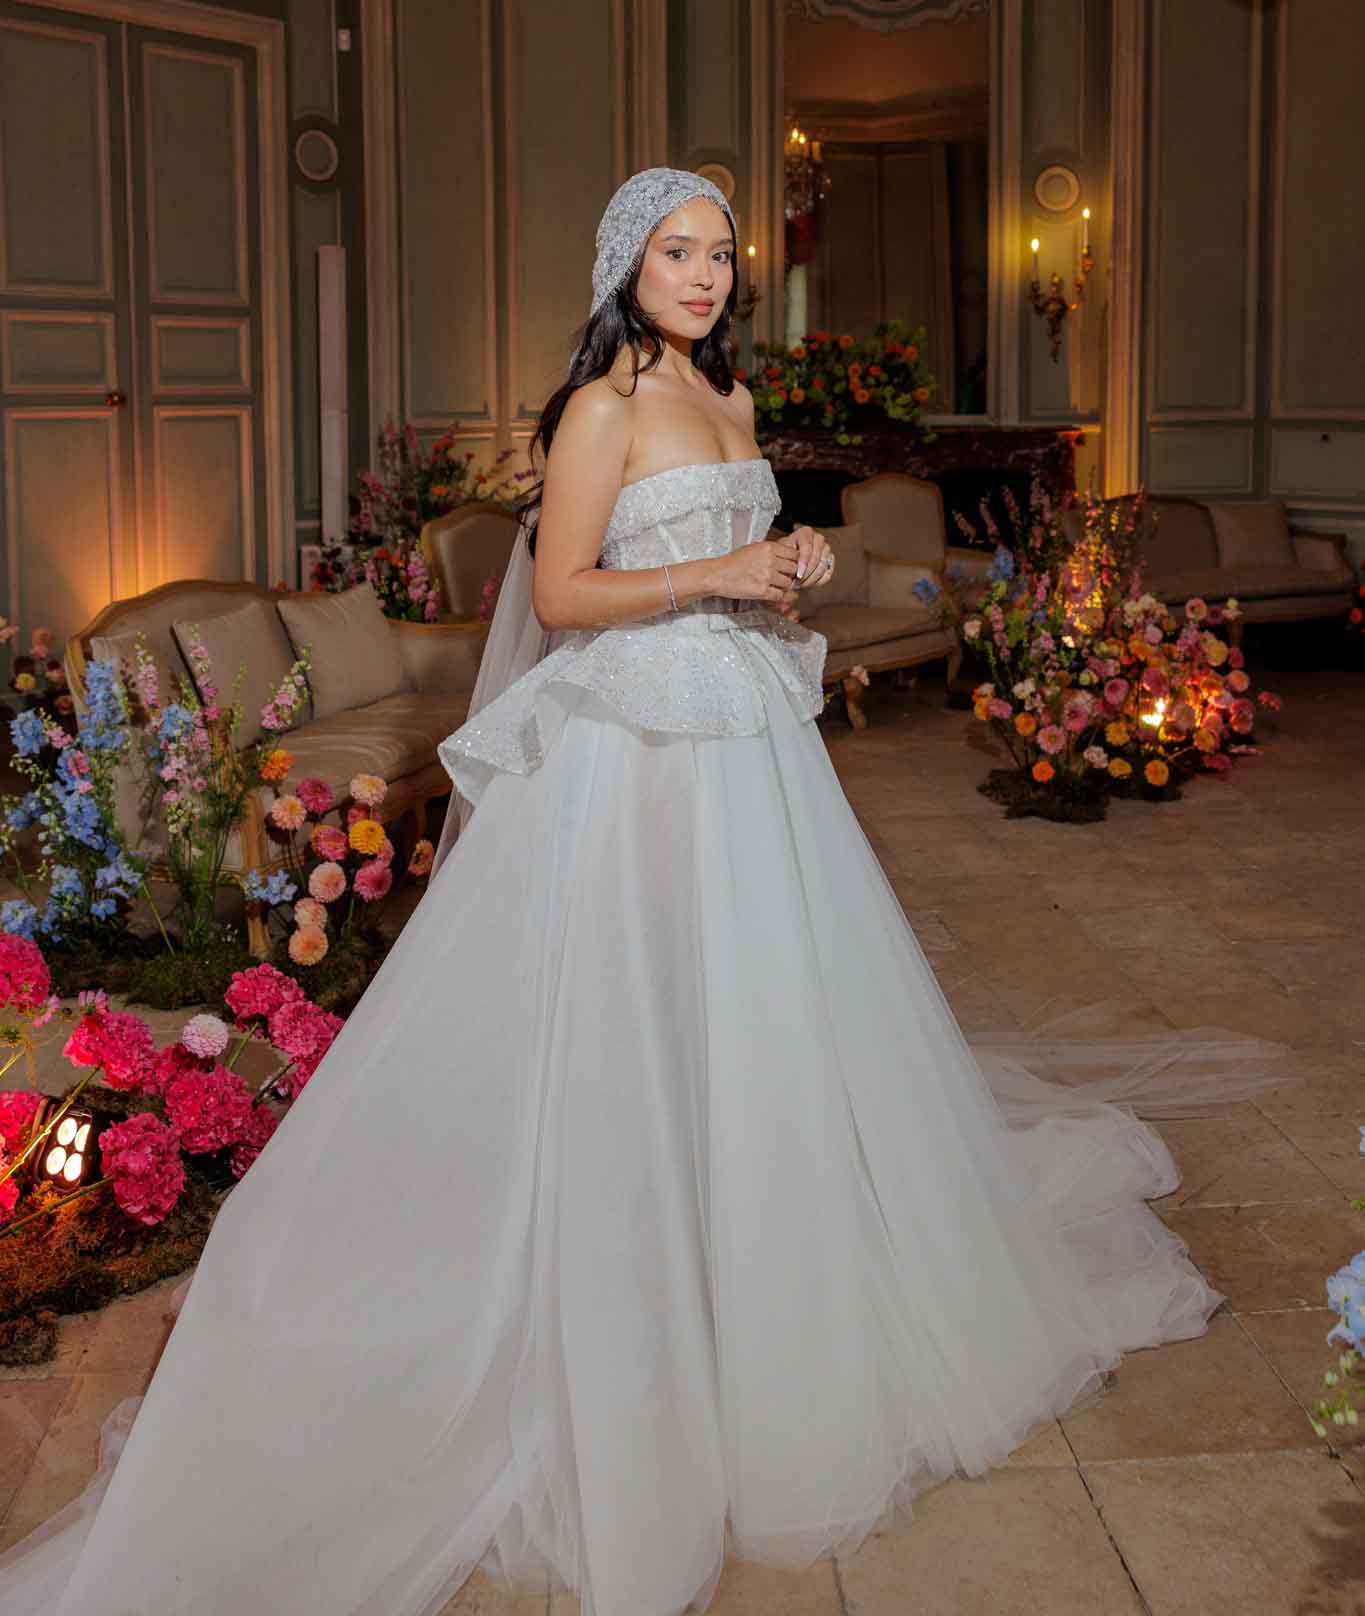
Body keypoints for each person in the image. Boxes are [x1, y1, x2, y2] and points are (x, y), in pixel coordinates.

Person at [0, 168, 1285, 1616]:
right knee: (632, 998)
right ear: (627, 260)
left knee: (756, 998)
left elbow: (726, 573)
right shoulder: (600, 409)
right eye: (680, 251)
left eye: (723, 254)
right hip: (631, 752)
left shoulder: (727, 401)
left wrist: (780, 570)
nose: (708, 274)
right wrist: (723, 566)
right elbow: (559, 596)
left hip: (743, 744)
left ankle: (758, 1249)